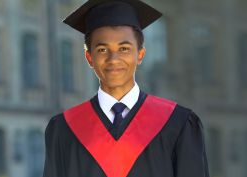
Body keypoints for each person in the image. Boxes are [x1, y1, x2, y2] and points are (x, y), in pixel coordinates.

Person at [43, 0, 210, 177]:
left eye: (124, 48)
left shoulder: (179, 124)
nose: (113, 58)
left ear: (140, 54)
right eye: (102, 50)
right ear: (89, 57)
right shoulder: (64, 129)